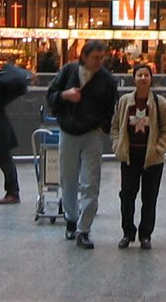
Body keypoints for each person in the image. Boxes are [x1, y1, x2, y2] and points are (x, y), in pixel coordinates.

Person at [47, 40, 117, 249]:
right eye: (95, 57)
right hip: (68, 132)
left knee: (90, 183)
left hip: (92, 134)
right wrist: (65, 95)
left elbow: (112, 107)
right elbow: (51, 94)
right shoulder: (68, 71)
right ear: (84, 56)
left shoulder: (106, 79)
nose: (99, 61)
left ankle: (83, 229)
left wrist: (102, 127)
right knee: (68, 179)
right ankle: (71, 218)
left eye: (101, 57)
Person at [111, 63, 166, 250]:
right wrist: (118, 146)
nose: (143, 79)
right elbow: (115, 126)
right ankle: (127, 233)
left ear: (151, 78)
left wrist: (159, 148)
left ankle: (145, 234)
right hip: (130, 156)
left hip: (152, 159)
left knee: (149, 197)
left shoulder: (160, 103)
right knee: (127, 195)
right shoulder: (124, 102)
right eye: (139, 75)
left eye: (146, 75)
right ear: (134, 78)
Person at [0, 60, 31, 204]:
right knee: (5, 160)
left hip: (0, 131)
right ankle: (12, 192)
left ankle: (13, 192)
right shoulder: (4, 83)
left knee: (5, 160)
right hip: (2, 129)